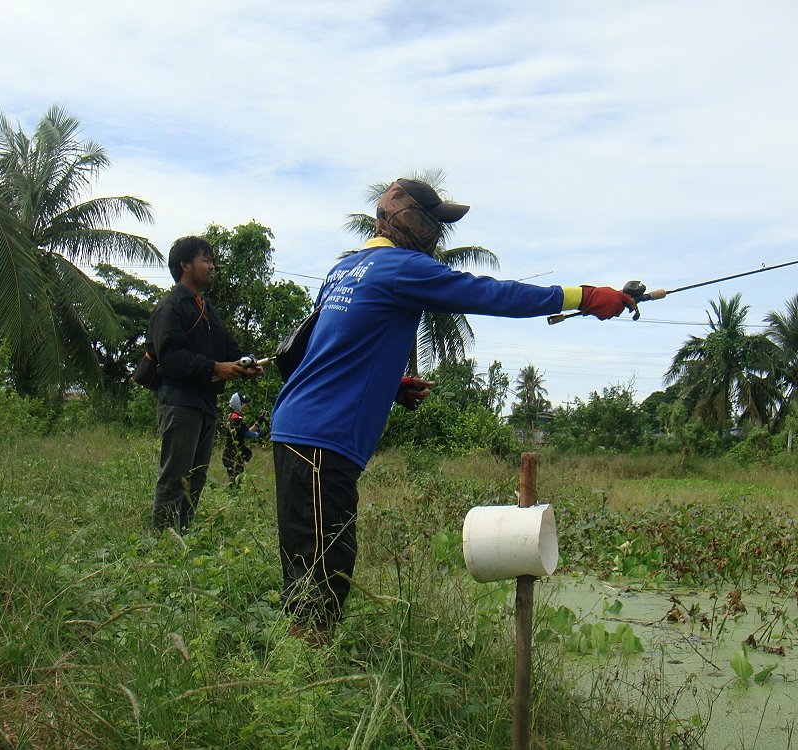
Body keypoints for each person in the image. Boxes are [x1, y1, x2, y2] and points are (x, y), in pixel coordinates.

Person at [268, 178, 637, 640]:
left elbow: (329, 346)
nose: (439, 236)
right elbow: (491, 294)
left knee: (311, 560)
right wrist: (584, 296)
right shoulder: (401, 268)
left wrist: (391, 384)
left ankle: (302, 663)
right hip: (320, 439)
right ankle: (303, 681)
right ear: (409, 221)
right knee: (322, 575)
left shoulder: (347, 269)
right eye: (435, 223)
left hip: (301, 429)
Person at [147, 235, 264, 533]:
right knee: (175, 475)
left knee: (196, 477)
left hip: (205, 403)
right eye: (205, 260)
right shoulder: (170, 307)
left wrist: (246, 365)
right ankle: (162, 540)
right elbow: (170, 357)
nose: (212, 266)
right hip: (179, 401)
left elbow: (229, 350)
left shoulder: (207, 309)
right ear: (185, 265)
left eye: (211, 260)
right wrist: (215, 367)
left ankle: (181, 535)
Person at [222, 393, 264, 486]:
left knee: (234, 481)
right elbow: (248, 435)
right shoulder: (236, 419)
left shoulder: (232, 416)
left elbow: (245, 431)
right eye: (244, 404)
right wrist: (259, 434)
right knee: (236, 483)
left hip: (231, 454)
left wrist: (259, 422)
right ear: (239, 404)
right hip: (234, 455)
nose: (246, 406)